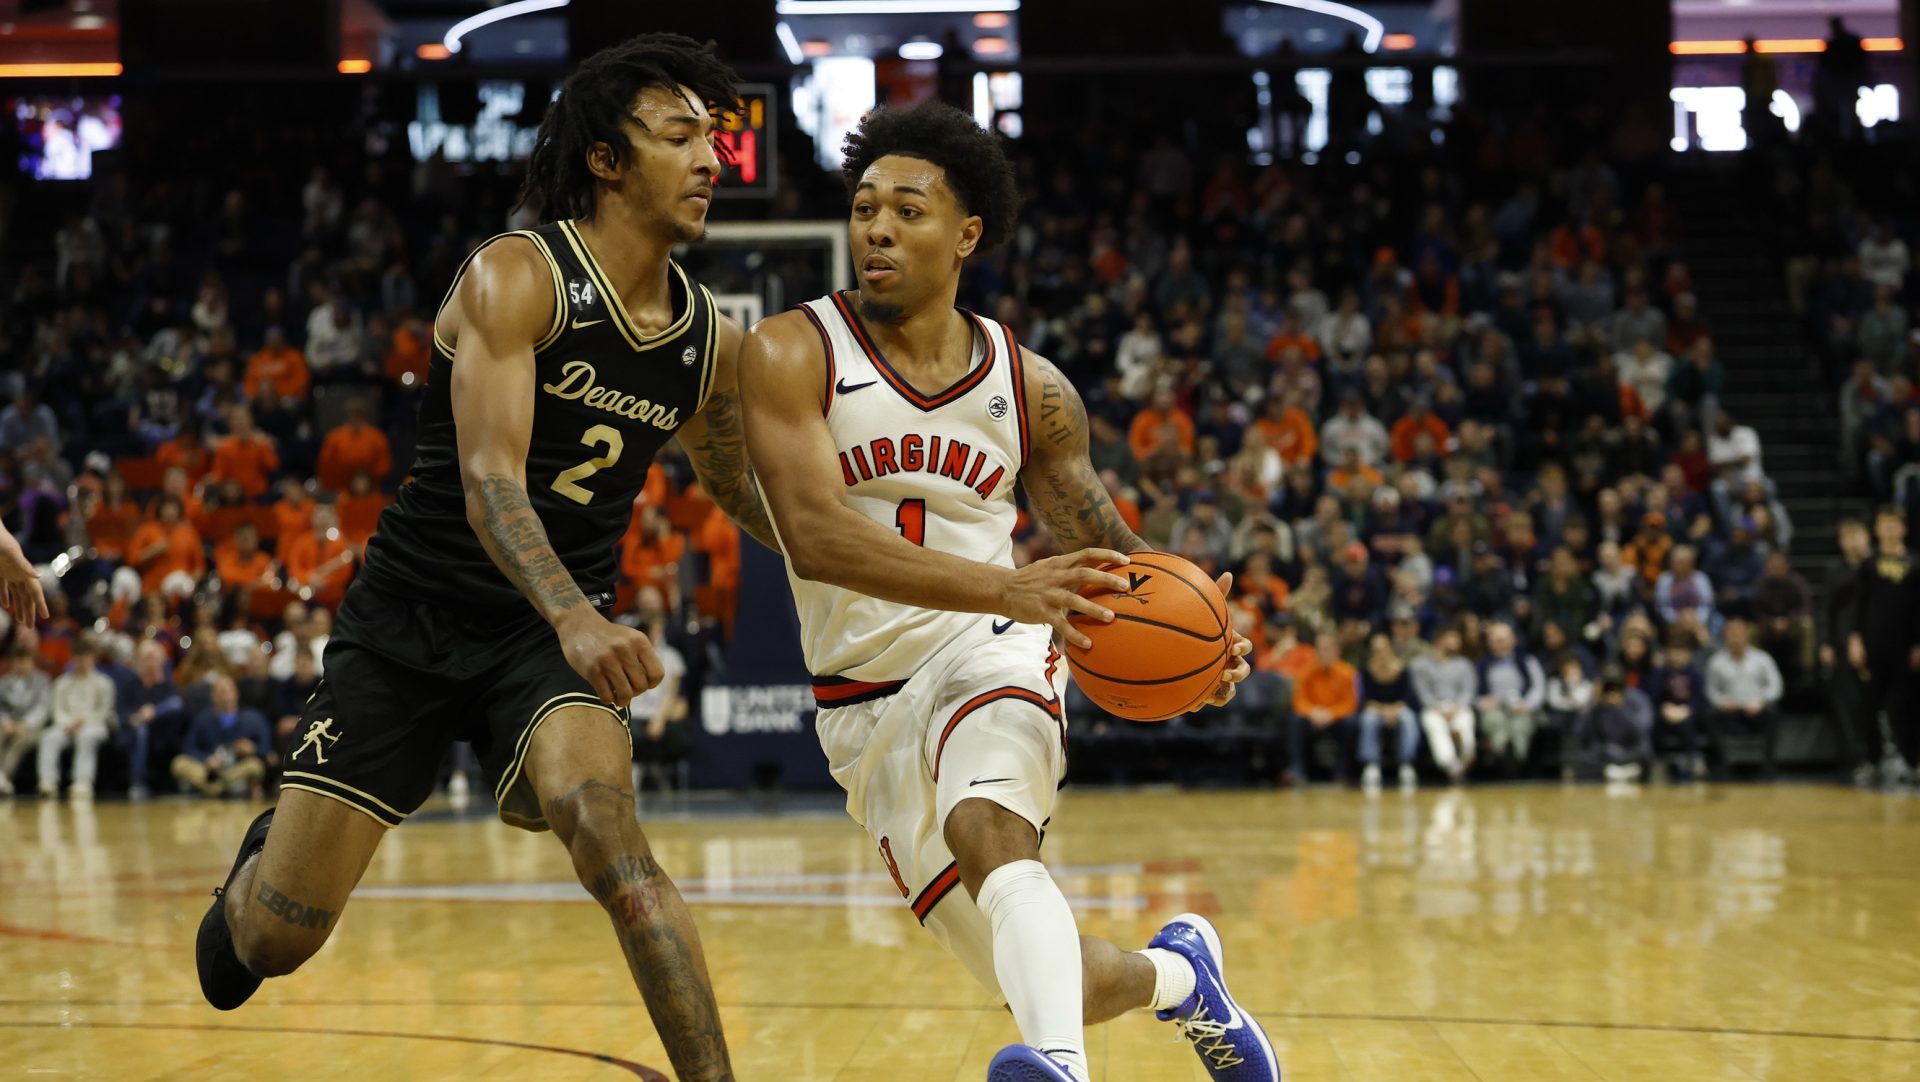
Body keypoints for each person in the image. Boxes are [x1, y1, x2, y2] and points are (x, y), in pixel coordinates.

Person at [194, 37, 774, 1082]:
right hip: (411, 625)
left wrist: (892, 559)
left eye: (714, 141)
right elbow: (491, 482)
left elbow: (748, 495)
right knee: (265, 946)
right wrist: (579, 617)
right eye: (680, 136)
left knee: (607, 828)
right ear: (604, 158)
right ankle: (261, 858)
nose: (710, 160)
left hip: (543, 643)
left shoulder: (707, 337)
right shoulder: (518, 275)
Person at [739, 101, 1274, 1082]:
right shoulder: (788, 351)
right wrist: (1013, 582)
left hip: (994, 646)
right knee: (1040, 966)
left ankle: (1057, 1070)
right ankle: (1180, 977)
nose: (879, 229)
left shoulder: (1030, 388)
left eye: (908, 209)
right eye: (865, 208)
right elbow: (813, 537)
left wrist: (1198, 630)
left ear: (967, 232)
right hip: (863, 707)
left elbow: (1104, 547)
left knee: (988, 828)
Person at [1846, 506, 1920, 786]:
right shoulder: (1869, 564)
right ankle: (1872, 760)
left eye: (1894, 524)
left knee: (1906, 706)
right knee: (1868, 706)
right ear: (1877, 529)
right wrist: (1855, 639)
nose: (1889, 529)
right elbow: (1859, 606)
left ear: (1903, 528)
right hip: (1873, 646)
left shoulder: (1915, 564)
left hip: (1905, 647)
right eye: (1884, 524)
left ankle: (1912, 761)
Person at [39, 637, 116, 800]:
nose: (81, 662)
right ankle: (48, 781)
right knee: (49, 737)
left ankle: (82, 782)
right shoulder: (61, 683)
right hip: (66, 725)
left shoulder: (104, 683)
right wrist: (68, 723)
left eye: (85, 657)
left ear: (92, 658)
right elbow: (57, 709)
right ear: (72, 658)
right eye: (78, 658)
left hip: (94, 725)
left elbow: (105, 711)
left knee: (86, 736)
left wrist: (84, 721)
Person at [1706, 617, 1784, 777]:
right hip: (1730, 711)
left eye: (1738, 633)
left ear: (1746, 635)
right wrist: (1722, 702)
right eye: (1731, 633)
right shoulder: (1716, 662)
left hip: (1756, 710)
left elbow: (1776, 686)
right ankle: (1722, 764)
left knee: (1773, 713)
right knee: (1709, 716)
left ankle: (1768, 765)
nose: (1735, 638)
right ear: (1725, 636)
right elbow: (1711, 690)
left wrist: (1761, 701)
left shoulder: (1762, 659)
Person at [171, 675, 270, 797]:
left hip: (236, 769)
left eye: (228, 691)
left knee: (255, 765)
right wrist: (207, 759)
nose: (225, 696)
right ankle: (218, 788)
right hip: (209, 770)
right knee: (179, 763)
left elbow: (266, 748)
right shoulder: (203, 718)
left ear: (236, 693)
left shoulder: (253, 718)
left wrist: (252, 749)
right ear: (212, 696)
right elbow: (188, 746)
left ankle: (212, 788)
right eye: (220, 692)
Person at [1476, 622, 1545, 774]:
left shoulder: (1527, 661)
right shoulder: (1482, 665)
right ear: (1489, 642)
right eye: (1496, 640)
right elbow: (1474, 693)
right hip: (1495, 708)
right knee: (1494, 722)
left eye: (1503, 639)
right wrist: (1483, 702)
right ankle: (1501, 756)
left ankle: (1518, 760)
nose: (1500, 644)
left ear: (1513, 640)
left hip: (1521, 707)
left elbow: (1538, 688)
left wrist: (1527, 704)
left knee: (1520, 726)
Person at [1412, 624, 1478, 783]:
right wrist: (1438, 709)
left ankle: (1462, 765)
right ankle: (1453, 770)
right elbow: (1423, 693)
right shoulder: (1420, 665)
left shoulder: (1464, 665)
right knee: (1435, 727)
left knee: (1466, 731)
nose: (1457, 642)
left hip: (1458, 708)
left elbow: (1469, 691)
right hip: (1434, 709)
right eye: (1452, 638)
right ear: (1439, 641)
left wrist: (1457, 708)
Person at [1357, 632, 1419, 791]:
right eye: (1376, 650)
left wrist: (1394, 710)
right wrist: (1383, 710)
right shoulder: (1366, 672)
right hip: (1376, 710)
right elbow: (1364, 700)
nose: (1380, 653)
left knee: (1408, 718)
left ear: (1391, 649)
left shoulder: (1402, 670)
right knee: (1368, 719)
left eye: (1383, 649)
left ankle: (1406, 764)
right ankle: (1372, 764)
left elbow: (1408, 698)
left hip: (1398, 709)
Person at [0, 642, 52, 796]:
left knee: (19, 742)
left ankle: (3, 775)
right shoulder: (4, 682)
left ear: (32, 661)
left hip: (33, 726)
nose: (21, 666)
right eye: (18, 662)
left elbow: (43, 708)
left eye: (25, 661)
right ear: (13, 663)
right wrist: (6, 723)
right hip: (7, 724)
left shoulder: (42, 681)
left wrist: (24, 724)